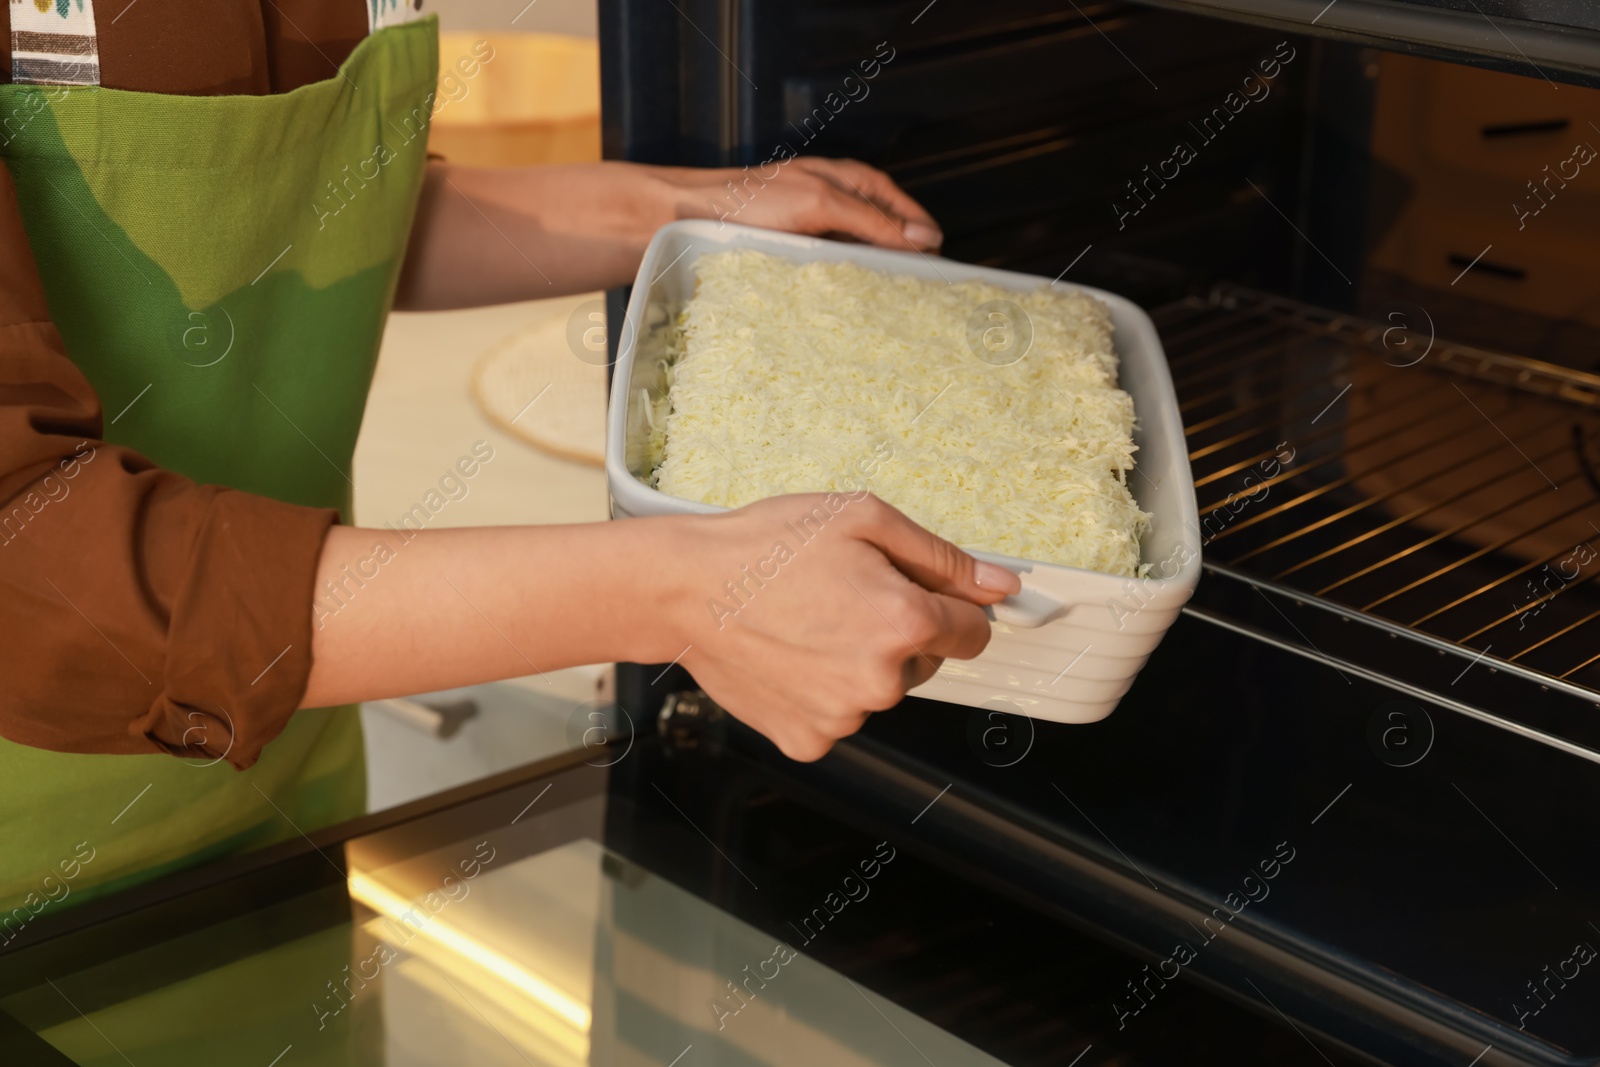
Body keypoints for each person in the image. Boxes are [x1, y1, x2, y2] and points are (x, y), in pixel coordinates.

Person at [0, 0, 1019, 915]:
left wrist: (683, 219)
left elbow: (307, 223)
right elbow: (24, 561)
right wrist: (680, 590)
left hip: (278, 798)